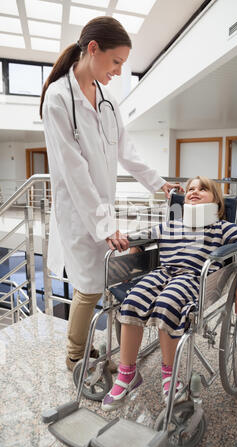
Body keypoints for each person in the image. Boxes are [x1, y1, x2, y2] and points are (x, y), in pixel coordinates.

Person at [40, 16, 181, 372]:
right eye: (115, 61)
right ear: (93, 49)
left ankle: (121, 354)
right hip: (78, 213)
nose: (118, 71)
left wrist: (158, 183)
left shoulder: (107, 100)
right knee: (88, 286)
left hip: (103, 212)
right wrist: (104, 226)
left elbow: (126, 151)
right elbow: (75, 174)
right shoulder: (58, 100)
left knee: (114, 279)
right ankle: (75, 357)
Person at [101, 176, 237, 411]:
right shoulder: (171, 225)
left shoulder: (221, 227)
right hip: (164, 272)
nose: (194, 192)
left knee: (168, 304)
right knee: (132, 300)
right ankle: (128, 374)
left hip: (195, 277)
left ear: (216, 202)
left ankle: (170, 377)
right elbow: (140, 240)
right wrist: (132, 259)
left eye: (203, 189)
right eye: (191, 189)